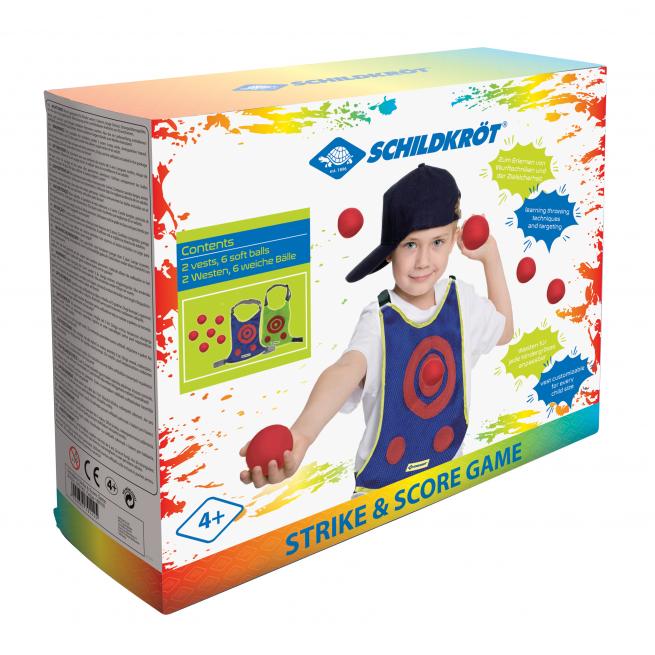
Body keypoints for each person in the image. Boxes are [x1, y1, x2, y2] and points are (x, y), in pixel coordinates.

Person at [240, 164, 513, 493]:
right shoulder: (380, 320)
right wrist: (302, 433)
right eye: (410, 244)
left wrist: (491, 256)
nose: (424, 260)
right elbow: (345, 370)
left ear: (455, 238)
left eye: (437, 242)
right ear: (389, 253)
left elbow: (504, 332)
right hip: (380, 497)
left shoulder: (461, 300)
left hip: (446, 482)